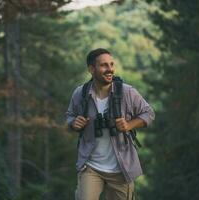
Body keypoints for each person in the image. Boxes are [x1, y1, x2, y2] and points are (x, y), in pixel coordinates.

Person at [65, 48, 155, 200]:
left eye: (111, 64)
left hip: (121, 168)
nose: (110, 69)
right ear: (91, 69)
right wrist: (74, 123)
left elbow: (149, 113)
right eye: (104, 65)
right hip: (91, 166)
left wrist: (128, 125)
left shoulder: (127, 92)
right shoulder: (80, 93)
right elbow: (69, 116)